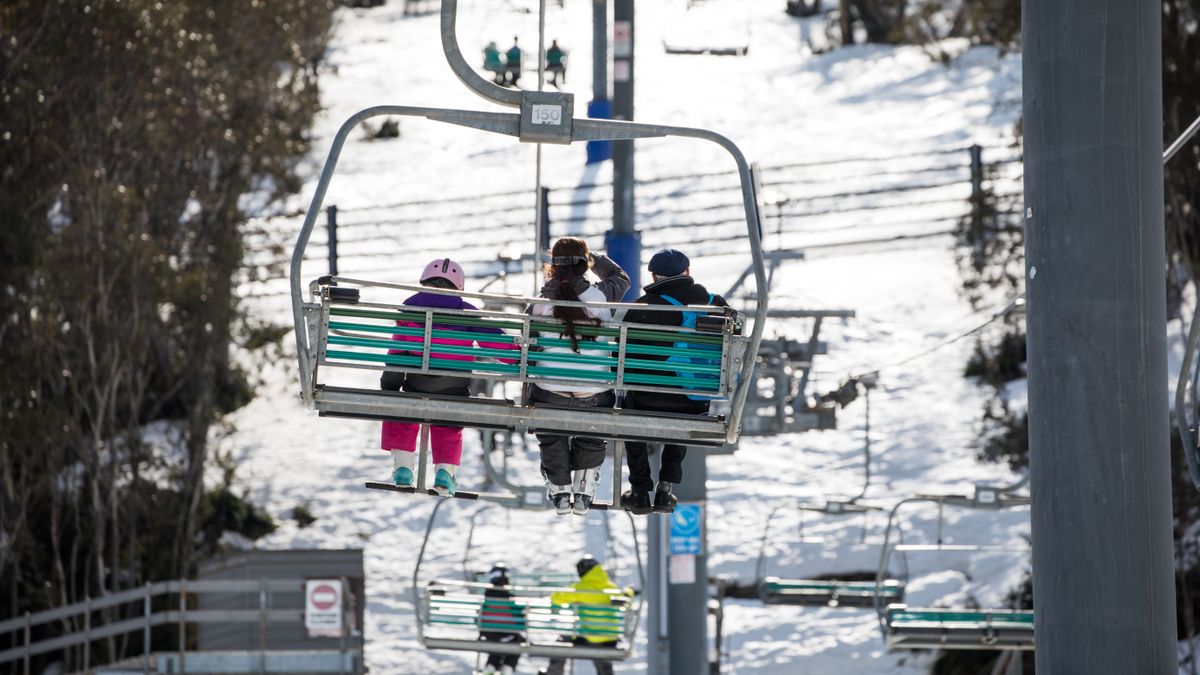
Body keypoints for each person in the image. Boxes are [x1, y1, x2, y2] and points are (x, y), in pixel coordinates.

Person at [381, 258, 518, 496]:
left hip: (416, 384)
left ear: (423, 282)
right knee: (448, 424)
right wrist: (517, 358)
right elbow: (495, 343)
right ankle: (445, 473)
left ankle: (403, 468)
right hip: (453, 388)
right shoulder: (466, 311)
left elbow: (398, 352)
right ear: (459, 288)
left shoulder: (409, 308)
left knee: (402, 412)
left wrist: (390, 384)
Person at [619, 249, 730, 515]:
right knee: (683, 408)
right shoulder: (717, 304)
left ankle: (640, 491)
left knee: (629, 416)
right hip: (693, 401)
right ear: (688, 272)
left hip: (645, 400)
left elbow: (621, 354)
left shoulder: (641, 308)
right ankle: (665, 488)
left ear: (654, 276)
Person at [529, 237, 630, 516]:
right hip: (592, 392)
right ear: (584, 263)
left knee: (551, 436)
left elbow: (527, 341)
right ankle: (583, 490)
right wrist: (595, 258)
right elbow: (621, 277)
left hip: (550, 391)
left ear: (552, 264)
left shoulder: (539, 303)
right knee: (592, 432)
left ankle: (560, 490)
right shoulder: (603, 295)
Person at [541, 556, 632, 675]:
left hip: (587, 637)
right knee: (603, 660)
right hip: (609, 639)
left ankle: (553, 673)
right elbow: (627, 597)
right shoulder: (612, 587)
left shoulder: (580, 588)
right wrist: (629, 591)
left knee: (561, 644)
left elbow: (557, 598)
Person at [480, 563, 524, 675]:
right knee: (517, 642)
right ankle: (507, 668)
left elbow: (479, 618)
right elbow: (520, 620)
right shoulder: (509, 598)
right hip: (508, 635)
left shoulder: (486, 598)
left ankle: (491, 667)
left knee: (498, 642)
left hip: (489, 634)